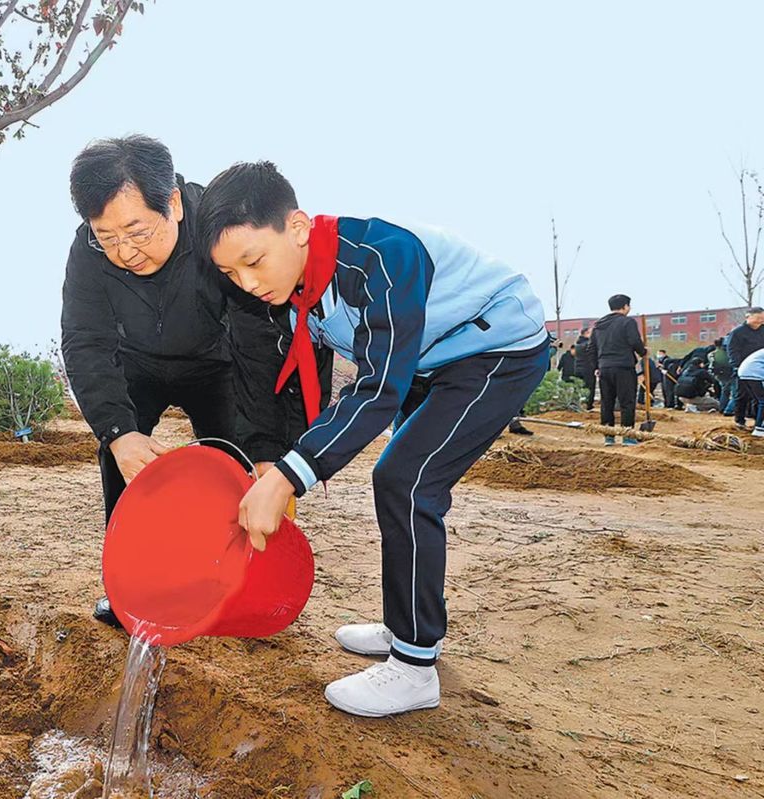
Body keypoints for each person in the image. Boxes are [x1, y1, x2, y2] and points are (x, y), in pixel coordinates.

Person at [196, 161, 549, 718]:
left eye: (253, 261)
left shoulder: (381, 258)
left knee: (405, 481)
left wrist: (293, 474)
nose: (249, 283)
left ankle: (413, 671)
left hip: (495, 349)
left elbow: (379, 386)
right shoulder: (297, 291)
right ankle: (404, 628)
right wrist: (273, 463)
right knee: (401, 480)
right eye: (231, 274)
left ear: (297, 226)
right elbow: (300, 390)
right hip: (434, 361)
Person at [60, 136, 314, 629]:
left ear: (173, 204)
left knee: (240, 463)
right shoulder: (88, 252)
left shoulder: (216, 229)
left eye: (137, 231)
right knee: (120, 457)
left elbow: (258, 341)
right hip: (138, 364)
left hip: (218, 363)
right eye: (107, 236)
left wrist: (268, 448)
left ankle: (240, 580)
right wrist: (118, 432)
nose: (125, 251)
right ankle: (128, 585)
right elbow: (84, 340)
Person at [591, 294, 646, 445]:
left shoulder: (598, 325)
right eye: (629, 306)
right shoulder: (627, 322)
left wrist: (596, 366)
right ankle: (628, 436)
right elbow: (634, 341)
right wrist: (643, 352)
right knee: (626, 402)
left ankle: (608, 436)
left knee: (606, 402)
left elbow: (592, 348)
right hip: (623, 367)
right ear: (625, 306)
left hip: (604, 368)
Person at [726, 307, 764, 428]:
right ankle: (740, 420)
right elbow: (732, 350)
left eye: (762, 318)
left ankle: (757, 419)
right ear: (748, 317)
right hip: (744, 367)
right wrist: (737, 366)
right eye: (758, 318)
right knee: (741, 395)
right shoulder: (737, 332)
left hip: (760, 367)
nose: (760, 321)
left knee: (758, 397)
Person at [734, 348, 764, 436]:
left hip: (745, 373)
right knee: (763, 401)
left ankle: (758, 424)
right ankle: (760, 429)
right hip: (755, 373)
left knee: (758, 400)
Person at [574, 326, 597, 410]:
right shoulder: (588, 344)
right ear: (586, 333)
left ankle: (576, 404)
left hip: (578, 368)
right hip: (588, 369)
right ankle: (588, 405)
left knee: (578, 387)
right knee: (590, 387)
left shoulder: (577, 344)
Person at [709, 337, 734, 413]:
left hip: (719, 375)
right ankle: (729, 409)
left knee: (724, 391)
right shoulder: (726, 353)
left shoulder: (711, 354)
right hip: (729, 374)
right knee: (734, 393)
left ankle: (722, 407)